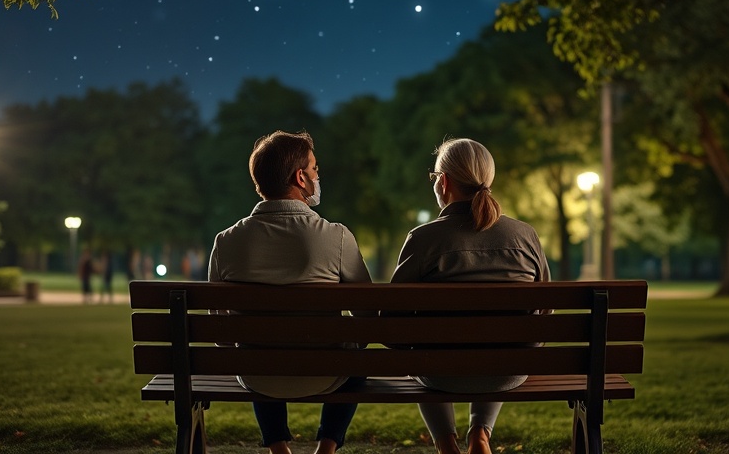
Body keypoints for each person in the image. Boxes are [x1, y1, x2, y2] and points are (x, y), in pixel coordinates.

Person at [208, 130, 373, 454]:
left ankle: (279, 449)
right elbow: (367, 318)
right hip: (328, 373)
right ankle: (325, 448)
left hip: (259, 376)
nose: (317, 176)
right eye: (314, 170)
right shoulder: (336, 236)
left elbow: (223, 337)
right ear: (300, 177)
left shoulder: (226, 241)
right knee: (359, 357)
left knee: (256, 348)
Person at [389, 138, 551, 454]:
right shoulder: (525, 236)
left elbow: (392, 325)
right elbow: (544, 316)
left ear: (444, 182)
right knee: (495, 345)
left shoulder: (424, 239)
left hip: (440, 373)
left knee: (417, 351)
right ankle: (480, 434)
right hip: (507, 371)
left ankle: (446, 443)